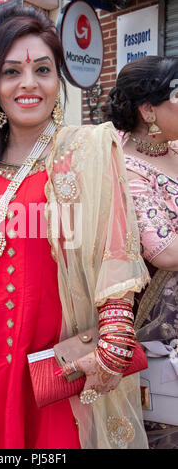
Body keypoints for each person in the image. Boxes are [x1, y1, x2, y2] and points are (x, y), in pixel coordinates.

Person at [0, 5, 150, 449]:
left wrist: (114, 331)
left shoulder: (87, 151)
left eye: (42, 69)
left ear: (58, 80)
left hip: (60, 349)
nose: (28, 84)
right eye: (12, 71)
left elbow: (113, 247)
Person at [102, 55, 178, 449]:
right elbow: (164, 249)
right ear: (148, 110)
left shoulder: (175, 149)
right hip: (164, 325)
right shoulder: (125, 167)